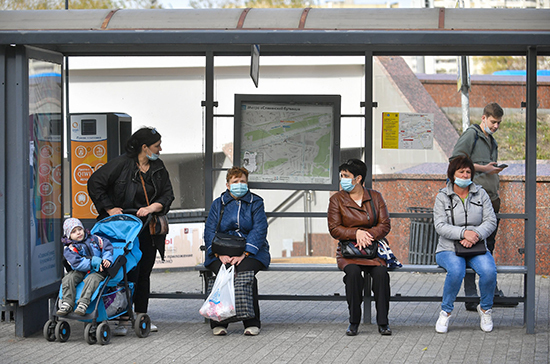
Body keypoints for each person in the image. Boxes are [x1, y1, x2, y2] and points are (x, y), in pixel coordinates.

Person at [87, 127, 174, 335]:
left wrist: (153, 207)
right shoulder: (121, 164)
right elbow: (94, 182)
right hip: (122, 229)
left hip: (147, 228)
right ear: (144, 147)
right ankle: (122, 317)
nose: (160, 149)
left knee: (144, 272)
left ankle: (141, 315)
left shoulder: (158, 167)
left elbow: (168, 194)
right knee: (125, 271)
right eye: (156, 145)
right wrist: (109, 208)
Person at [450, 102, 511, 310]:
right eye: (493, 122)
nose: (496, 126)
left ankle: (490, 292)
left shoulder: (491, 140)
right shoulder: (472, 134)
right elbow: (456, 160)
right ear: (484, 118)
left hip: (491, 199)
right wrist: (483, 168)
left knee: (487, 247)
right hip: (474, 200)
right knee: (471, 246)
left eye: (498, 123)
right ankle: (471, 296)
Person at [327, 159, 392, 336]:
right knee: (353, 275)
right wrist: (356, 233)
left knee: (381, 276)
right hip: (349, 252)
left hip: (372, 251)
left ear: (358, 178)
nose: (342, 180)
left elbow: (385, 224)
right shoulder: (336, 200)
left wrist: (367, 236)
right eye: (341, 176)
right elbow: (334, 228)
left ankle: (383, 322)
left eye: (346, 176)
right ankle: (354, 321)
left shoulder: (375, 197)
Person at [433, 156, 498, 333]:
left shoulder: (481, 193)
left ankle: (485, 309)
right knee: (456, 270)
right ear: (452, 174)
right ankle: (445, 312)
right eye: (461, 171)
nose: (465, 174)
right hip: (448, 248)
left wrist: (475, 235)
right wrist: (463, 233)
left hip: (476, 246)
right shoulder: (442, 196)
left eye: (468, 171)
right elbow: (440, 225)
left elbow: (491, 221)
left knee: (489, 271)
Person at [203, 166, 270, 336]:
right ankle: (219, 321)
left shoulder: (256, 202)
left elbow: (259, 229)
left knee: (244, 273)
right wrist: (219, 254)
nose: (239, 185)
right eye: (235, 182)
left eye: (242, 181)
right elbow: (210, 230)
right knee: (222, 272)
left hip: (251, 251)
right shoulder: (218, 204)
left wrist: (245, 253)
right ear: (227, 184)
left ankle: (252, 321)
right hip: (221, 250)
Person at [57, 218, 114, 316]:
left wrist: (107, 259)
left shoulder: (94, 239)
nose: (78, 233)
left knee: (92, 280)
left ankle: (83, 302)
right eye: (74, 232)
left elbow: (107, 247)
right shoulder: (69, 249)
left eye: (80, 229)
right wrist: (93, 262)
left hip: (98, 270)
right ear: (68, 235)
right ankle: (67, 302)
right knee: (68, 278)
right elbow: (77, 263)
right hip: (80, 270)